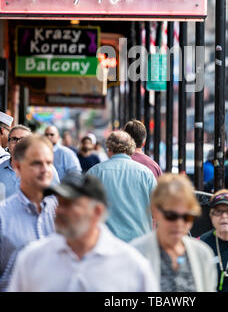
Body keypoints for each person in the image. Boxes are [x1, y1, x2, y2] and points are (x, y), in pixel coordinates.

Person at [8, 172, 158, 292]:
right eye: (59, 203)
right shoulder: (32, 258)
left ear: (97, 211)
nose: (59, 210)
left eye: (68, 204)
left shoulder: (132, 266)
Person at [131, 173, 217, 292]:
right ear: (155, 212)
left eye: (187, 217)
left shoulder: (202, 254)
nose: (179, 223)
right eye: (171, 215)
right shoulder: (135, 254)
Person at [0, 135, 57, 291]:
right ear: (17, 167)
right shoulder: (2, 217)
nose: (45, 169)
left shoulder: (64, 214)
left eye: (49, 163)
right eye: (37, 163)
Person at [87, 130, 157, 242]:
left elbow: (86, 209)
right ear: (131, 148)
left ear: (109, 148)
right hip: (140, 242)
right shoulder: (146, 173)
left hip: (106, 242)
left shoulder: (95, 172)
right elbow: (156, 210)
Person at [0, 125, 59, 200]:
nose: (18, 143)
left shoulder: (46, 170)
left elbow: (55, 200)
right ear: (8, 143)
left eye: (23, 139)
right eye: (14, 139)